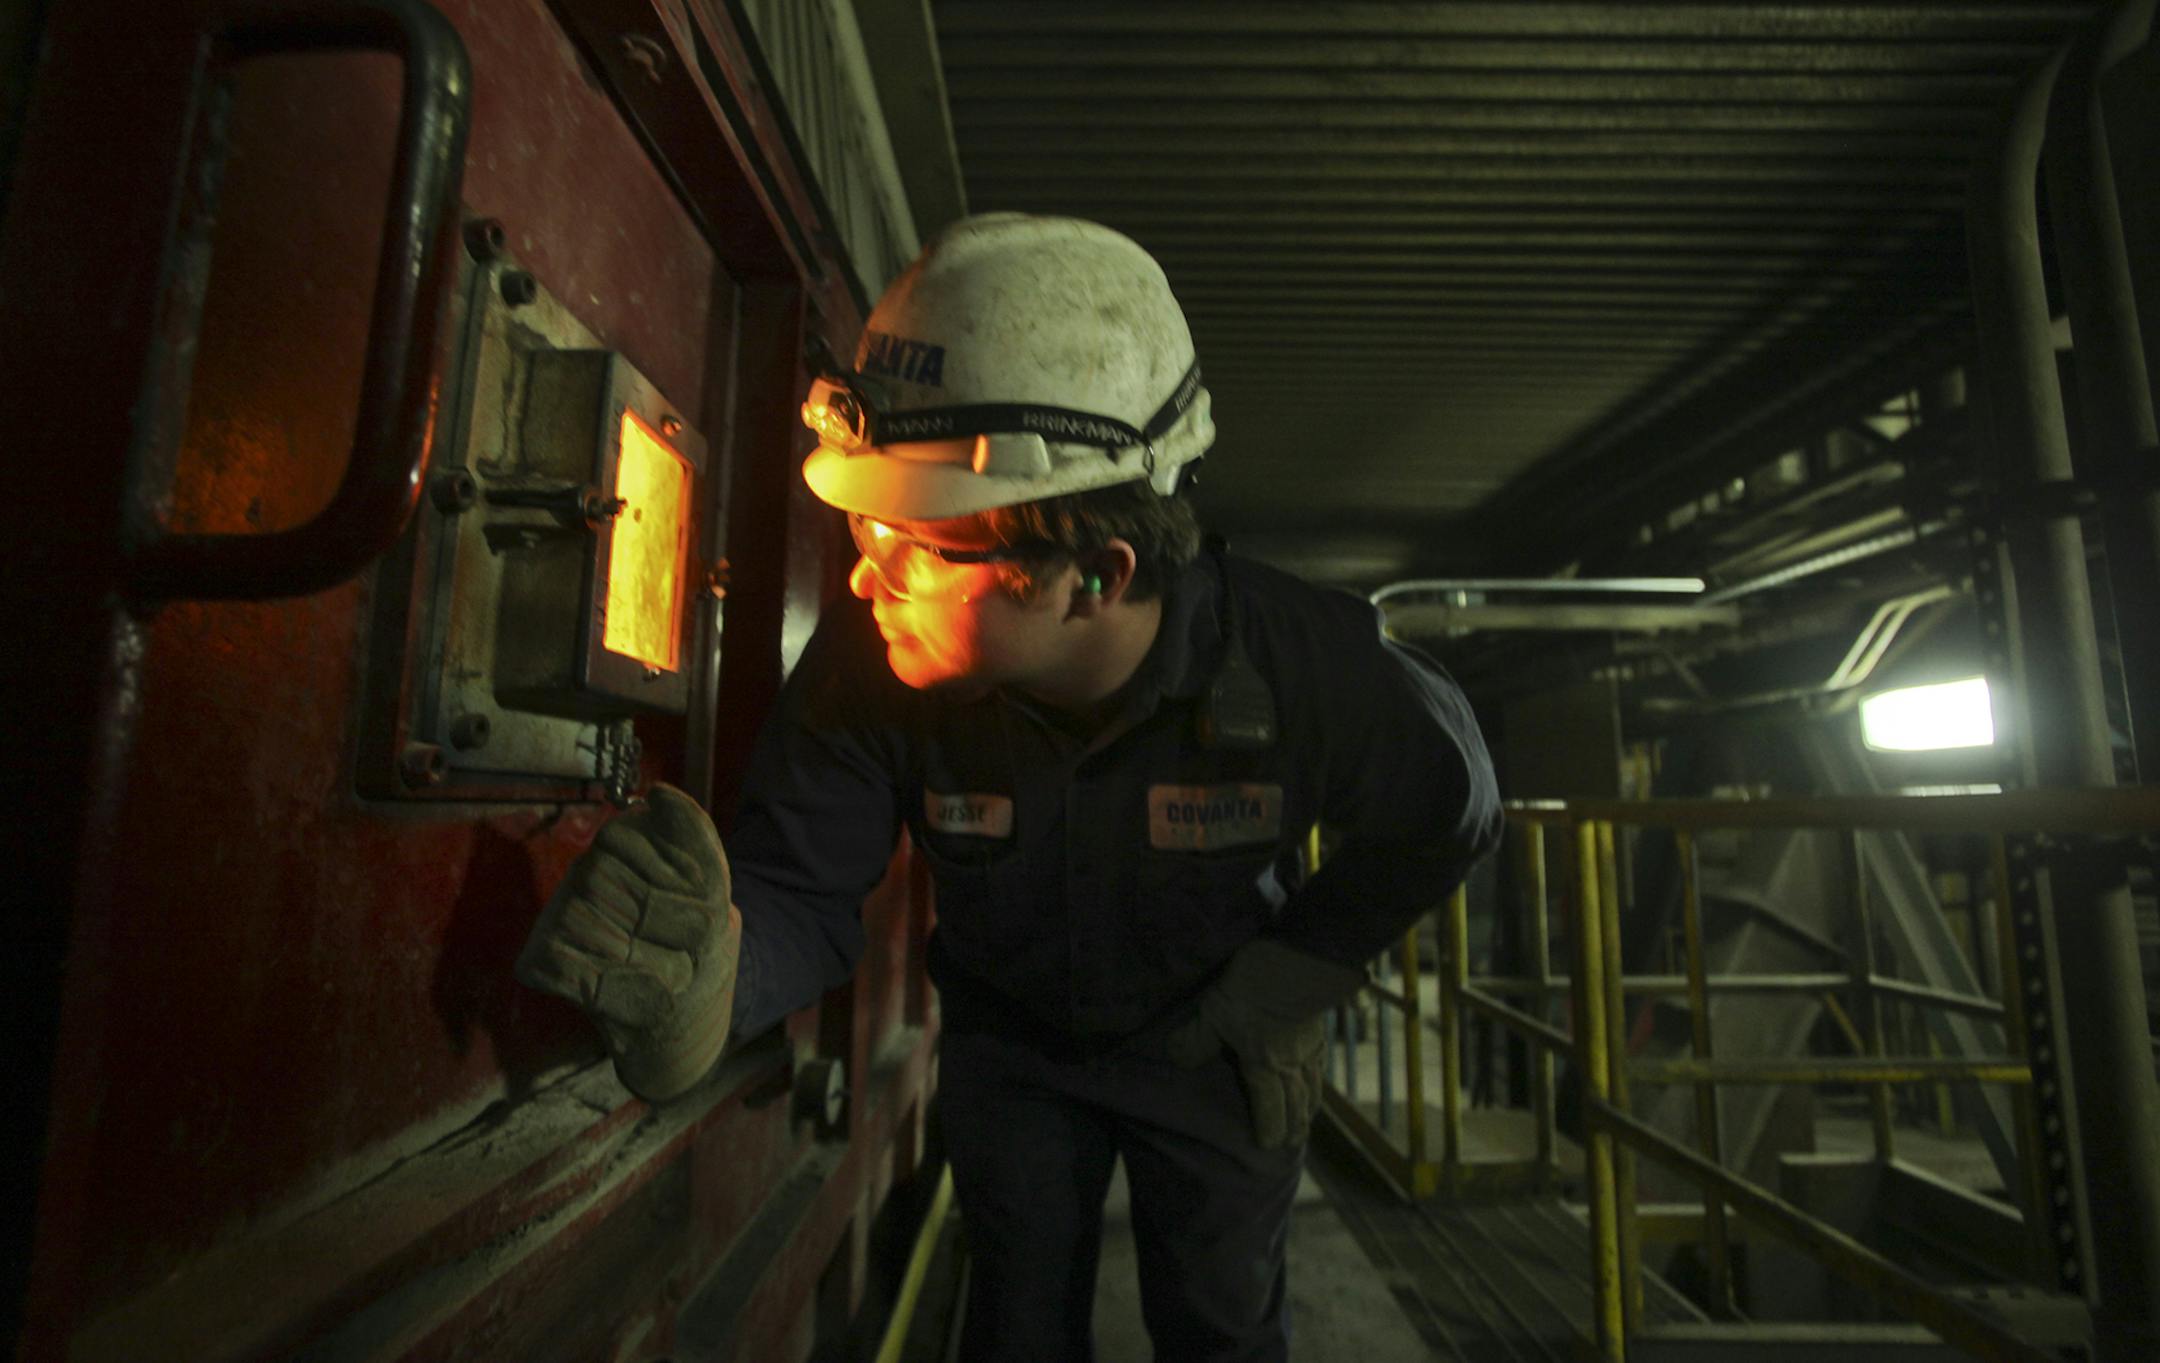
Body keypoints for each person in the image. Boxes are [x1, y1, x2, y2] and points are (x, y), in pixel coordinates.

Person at [515, 213, 1502, 1362]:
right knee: (1016, 1324)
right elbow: (799, 884)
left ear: (1092, 574)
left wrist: (1295, 973)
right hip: (1013, 1047)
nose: (863, 570)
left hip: (1211, 1040)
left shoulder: (1302, 666)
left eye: (920, 541)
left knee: (1221, 1319)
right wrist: (713, 972)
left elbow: (1456, 808)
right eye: (866, 524)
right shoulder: (872, 659)